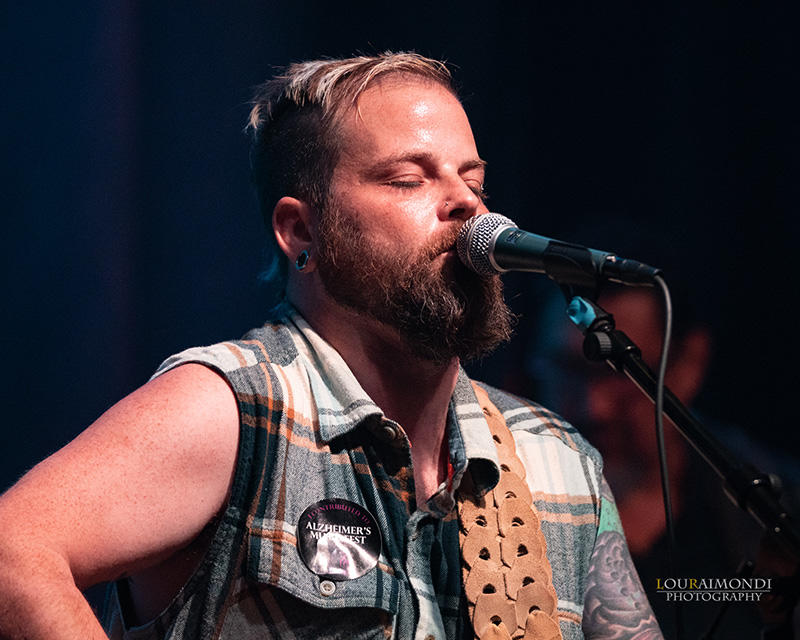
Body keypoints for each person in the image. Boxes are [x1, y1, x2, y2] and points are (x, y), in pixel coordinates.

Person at [0, 53, 664, 640]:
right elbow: (12, 551)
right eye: (408, 180)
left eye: (474, 180)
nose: (468, 206)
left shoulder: (557, 459)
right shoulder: (236, 409)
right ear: (299, 231)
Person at [525, 244, 800, 638]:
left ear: (690, 363)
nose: (595, 406)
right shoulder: (496, 506)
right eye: (567, 371)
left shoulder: (773, 510)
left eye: (620, 371)